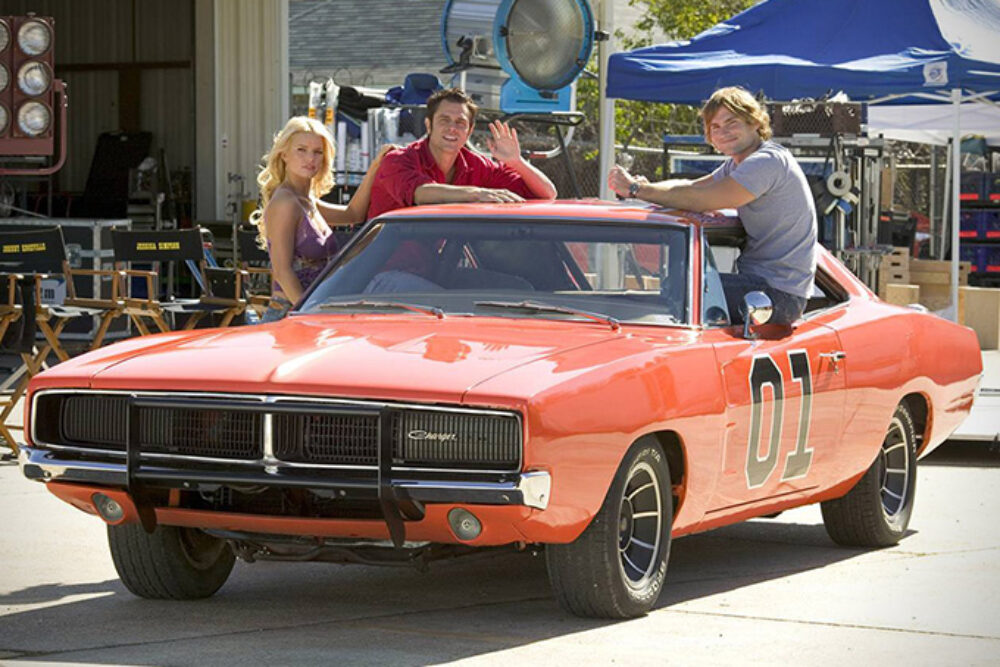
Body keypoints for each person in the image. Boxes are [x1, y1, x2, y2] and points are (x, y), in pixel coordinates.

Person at [608, 86, 817, 326]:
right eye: (715, 127)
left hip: (777, 296)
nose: (723, 132)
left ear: (755, 122)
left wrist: (638, 190)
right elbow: (693, 185)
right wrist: (647, 187)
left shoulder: (766, 161)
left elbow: (702, 198)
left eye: (731, 122)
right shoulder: (739, 163)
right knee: (679, 288)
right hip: (765, 288)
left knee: (679, 292)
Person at [249, 116, 391, 322]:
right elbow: (282, 271)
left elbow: (353, 214)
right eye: (301, 150)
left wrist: (375, 167)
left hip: (312, 310)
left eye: (317, 152)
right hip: (290, 313)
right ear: (284, 154)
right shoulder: (286, 202)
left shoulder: (307, 201)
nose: (310, 159)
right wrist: (309, 316)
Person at [366, 87, 557, 219]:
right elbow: (421, 193)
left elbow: (547, 195)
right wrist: (477, 194)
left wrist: (517, 162)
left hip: (442, 270)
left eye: (460, 123)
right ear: (428, 124)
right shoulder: (397, 160)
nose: (452, 128)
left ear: (470, 130)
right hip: (383, 272)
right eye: (444, 120)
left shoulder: (478, 166)